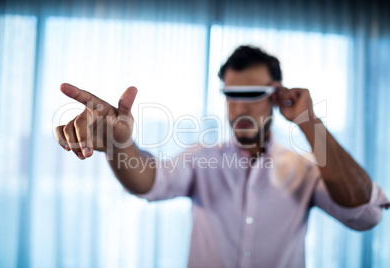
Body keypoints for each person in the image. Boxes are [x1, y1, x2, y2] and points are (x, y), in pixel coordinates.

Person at [55, 45, 389, 268]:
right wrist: (119, 146)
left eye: (253, 95)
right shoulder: (201, 159)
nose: (241, 107)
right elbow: (149, 183)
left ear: (277, 96)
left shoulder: (306, 171)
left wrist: (309, 122)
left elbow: (365, 215)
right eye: (232, 95)